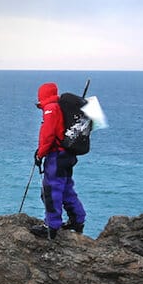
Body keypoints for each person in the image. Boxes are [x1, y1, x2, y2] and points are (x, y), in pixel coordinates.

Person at [30, 82, 86, 240]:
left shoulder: (51, 109)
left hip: (56, 156)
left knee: (51, 190)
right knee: (67, 188)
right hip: (68, 154)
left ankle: (51, 226)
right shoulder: (60, 106)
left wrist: (40, 154)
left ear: (42, 96)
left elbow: (48, 135)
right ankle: (77, 220)